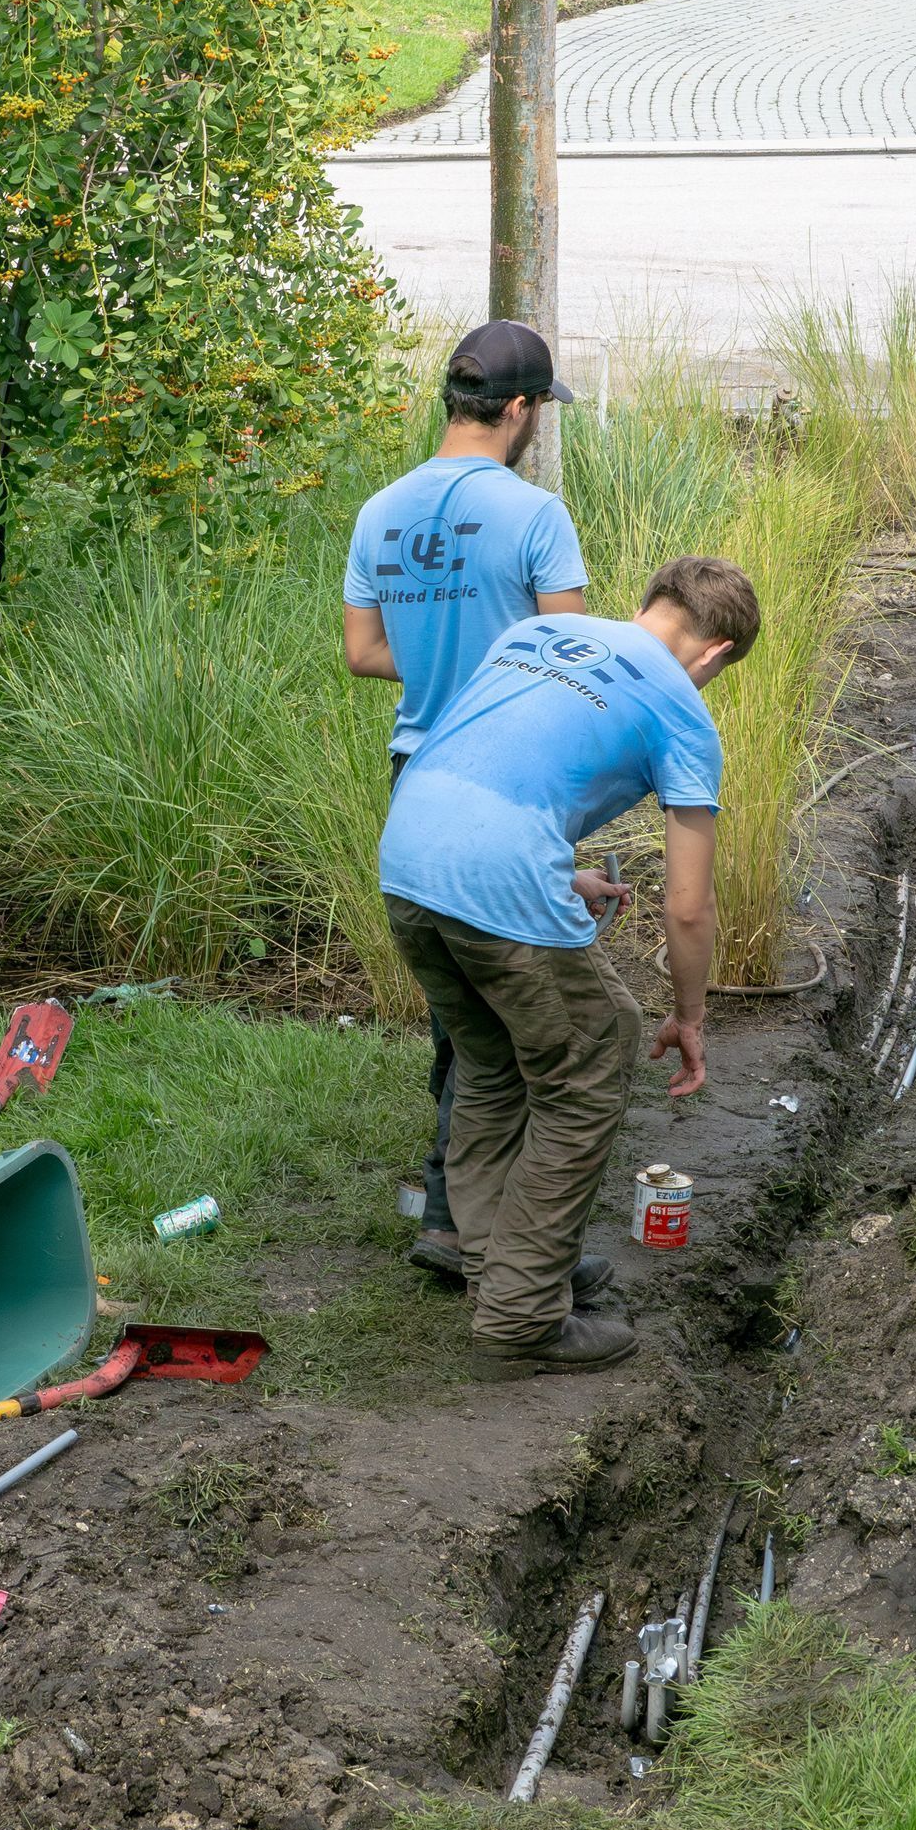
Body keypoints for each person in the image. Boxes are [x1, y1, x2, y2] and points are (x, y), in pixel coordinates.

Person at [378, 556, 761, 1381]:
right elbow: (689, 906)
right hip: (490, 880)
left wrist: (559, 876)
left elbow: (488, 766)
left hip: (406, 863)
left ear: (649, 606)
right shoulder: (685, 713)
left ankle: (505, 1264)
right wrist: (688, 1018)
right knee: (593, 1055)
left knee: (491, 1064)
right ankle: (520, 1316)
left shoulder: (539, 631)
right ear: (715, 653)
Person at [344, 322, 588, 1283]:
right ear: (520, 409)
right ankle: (492, 1226)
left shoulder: (380, 512)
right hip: (510, 779)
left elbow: (364, 653)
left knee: (459, 1013)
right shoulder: (535, 516)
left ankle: (451, 1211)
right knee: (528, 1014)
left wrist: (445, 649)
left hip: (418, 782)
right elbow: (574, 662)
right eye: (538, 411)